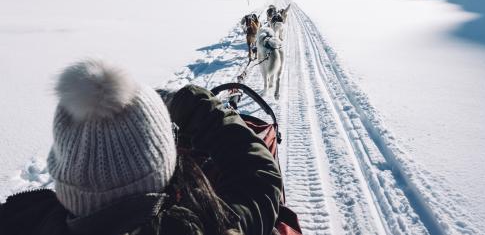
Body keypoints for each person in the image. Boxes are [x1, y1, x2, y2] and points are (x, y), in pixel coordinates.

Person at [0, 59, 282, 235]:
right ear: (164, 166)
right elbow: (260, 178)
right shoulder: (205, 226)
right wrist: (194, 103)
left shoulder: (20, 219)